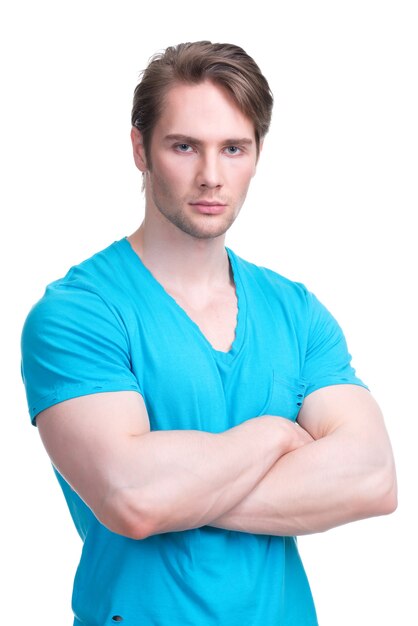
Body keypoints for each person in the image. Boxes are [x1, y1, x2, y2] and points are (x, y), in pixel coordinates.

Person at [21, 41, 397, 625]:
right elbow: (133, 499)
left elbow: (373, 477)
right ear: (139, 149)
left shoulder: (295, 311)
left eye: (233, 149)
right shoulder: (79, 314)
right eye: (184, 146)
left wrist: (180, 490)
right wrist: (275, 434)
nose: (211, 176)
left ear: (257, 154)